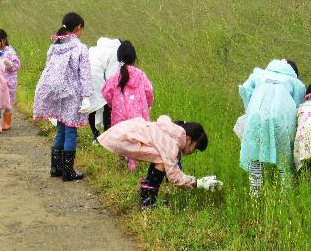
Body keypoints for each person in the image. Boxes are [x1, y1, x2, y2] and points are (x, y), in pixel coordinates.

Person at [98, 115, 223, 209]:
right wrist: (197, 183)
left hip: (122, 132)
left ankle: (147, 196)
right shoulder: (171, 144)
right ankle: (149, 202)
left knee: (161, 157)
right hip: (122, 138)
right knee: (163, 161)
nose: (193, 152)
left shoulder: (174, 132)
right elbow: (174, 177)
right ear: (189, 140)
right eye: (195, 148)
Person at [32, 12, 93, 182]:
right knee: (71, 131)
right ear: (79, 28)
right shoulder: (80, 48)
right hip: (73, 95)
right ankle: (68, 171)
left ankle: (55, 168)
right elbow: (85, 75)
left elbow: (49, 69)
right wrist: (87, 97)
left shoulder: (53, 47)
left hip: (57, 94)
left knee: (61, 129)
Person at [236, 59, 305, 197]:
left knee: (254, 153)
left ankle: (256, 194)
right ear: (294, 72)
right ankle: (287, 195)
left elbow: (244, 89)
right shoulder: (295, 82)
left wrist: (249, 108)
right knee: (284, 156)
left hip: (255, 115)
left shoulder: (258, 73)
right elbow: (298, 107)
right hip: (281, 117)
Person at [102, 40, 154, 171]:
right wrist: (147, 104)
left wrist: (112, 104)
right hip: (138, 116)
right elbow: (149, 91)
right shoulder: (140, 75)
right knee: (136, 138)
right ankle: (134, 162)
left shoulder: (115, 76)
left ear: (119, 58)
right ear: (134, 58)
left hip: (120, 115)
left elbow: (106, 92)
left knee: (123, 139)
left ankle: (125, 162)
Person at [87, 37, 121, 144]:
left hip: (85, 79)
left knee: (91, 107)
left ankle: (95, 135)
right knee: (107, 105)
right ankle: (106, 137)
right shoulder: (114, 53)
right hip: (98, 78)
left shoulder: (93, 49)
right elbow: (111, 76)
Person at [0, 29, 21, 130]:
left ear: (4, 40)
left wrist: (9, 65)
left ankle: (7, 122)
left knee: (8, 103)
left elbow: (17, 65)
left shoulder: (10, 51)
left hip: (8, 82)